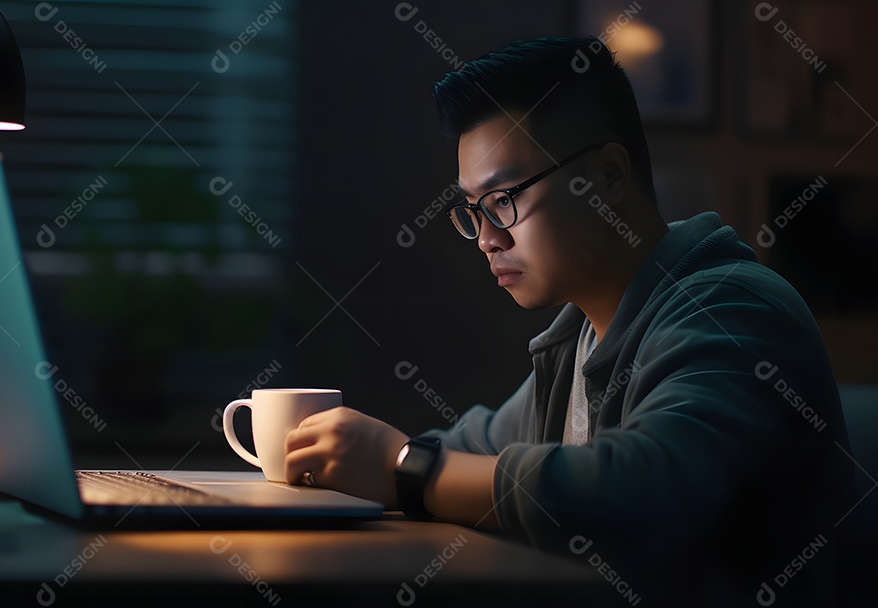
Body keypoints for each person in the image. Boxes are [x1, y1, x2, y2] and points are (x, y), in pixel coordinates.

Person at [282, 35, 857, 605]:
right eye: (473, 210)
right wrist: (358, 460)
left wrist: (406, 467)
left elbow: (638, 491)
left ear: (608, 175)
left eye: (504, 199)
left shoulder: (735, 311)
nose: (486, 238)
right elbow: (474, 450)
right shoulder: (581, 337)